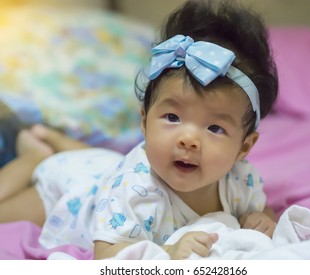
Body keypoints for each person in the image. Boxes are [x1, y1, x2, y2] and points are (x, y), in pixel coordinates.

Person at [0, 0, 278, 260]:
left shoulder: (242, 183)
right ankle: (34, 157)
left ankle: (54, 140)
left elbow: (258, 208)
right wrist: (168, 253)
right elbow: (106, 255)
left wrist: (263, 219)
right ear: (144, 121)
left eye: (215, 127)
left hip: (104, 167)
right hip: (71, 192)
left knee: (107, 164)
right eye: (172, 116)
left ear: (244, 147)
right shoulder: (135, 192)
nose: (189, 139)